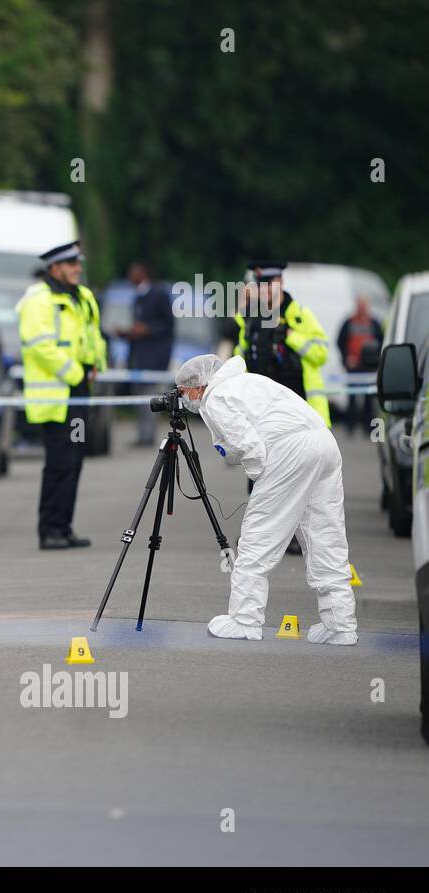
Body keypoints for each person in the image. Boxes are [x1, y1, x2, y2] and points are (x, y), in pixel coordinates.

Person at [175, 354, 358, 645]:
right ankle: (341, 624)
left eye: (185, 392)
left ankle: (244, 620)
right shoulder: (248, 382)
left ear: (200, 385)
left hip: (289, 451)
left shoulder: (217, 396)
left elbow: (249, 446)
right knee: (326, 535)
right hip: (323, 443)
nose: (185, 399)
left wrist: (261, 477)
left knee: (258, 536)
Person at [17, 240, 107, 549]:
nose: (78, 269)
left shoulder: (81, 297)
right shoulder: (38, 300)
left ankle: (64, 526)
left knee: (75, 460)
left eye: (78, 263)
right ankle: (50, 530)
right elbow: (39, 345)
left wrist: (96, 364)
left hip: (79, 391)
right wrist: (75, 372)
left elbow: (93, 336)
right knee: (59, 461)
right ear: (55, 268)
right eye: (72, 264)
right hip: (56, 396)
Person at [232, 260, 331, 426]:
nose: (265, 289)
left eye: (269, 284)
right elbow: (241, 356)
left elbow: (321, 354)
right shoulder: (251, 319)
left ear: (280, 282)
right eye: (260, 284)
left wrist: (291, 335)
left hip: (300, 412)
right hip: (262, 413)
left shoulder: (299, 315)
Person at [122, 260, 174, 446]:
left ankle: (148, 435)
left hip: (153, 356)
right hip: (139, 355)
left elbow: (168, 324)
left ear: (142, 273)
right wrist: (128, 333)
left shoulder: (158, 293)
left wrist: (148, 330)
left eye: (133, 272)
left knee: (149, 395)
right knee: (140, 395)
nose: (130, 276)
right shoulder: (138, 296)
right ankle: (143, 434)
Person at [336, 296, 383, 436]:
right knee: (352, 398)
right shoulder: (349, 322)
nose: (362, 308)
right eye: (360, 305)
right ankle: (350, 427)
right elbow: (340, 341)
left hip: (369, 367)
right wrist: (347, 358)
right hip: (354, 366)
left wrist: (377, 361)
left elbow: (382, 342)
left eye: (364, 305)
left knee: (369, 399)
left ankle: (368, 429)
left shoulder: (374, 323)